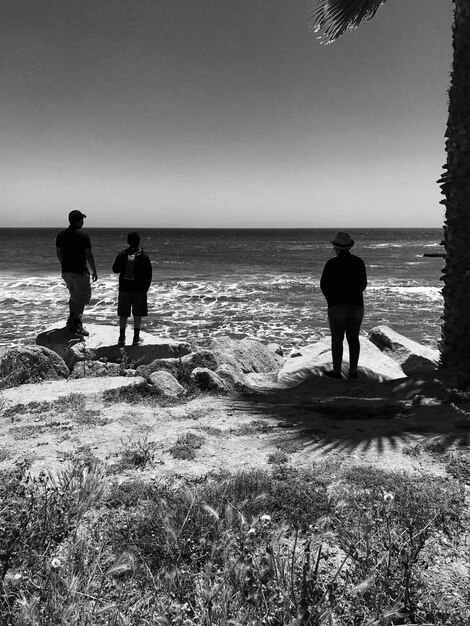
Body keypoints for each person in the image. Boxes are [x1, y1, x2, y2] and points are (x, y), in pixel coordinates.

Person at [320, 231, 367, 380]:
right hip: (356, 306)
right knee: (353, 339)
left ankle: (336, 372)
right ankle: (353, 371)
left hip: (337, 306)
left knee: (337, 339)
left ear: (337, 248)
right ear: (349, 247)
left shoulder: (331, 263)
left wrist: (331, 301)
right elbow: (363, 285)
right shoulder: (359, 262)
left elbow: (324, 285)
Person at [56, 210, 98, 336]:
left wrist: (64, 265)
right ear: (79, 221)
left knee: (73, 295)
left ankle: (71, 320)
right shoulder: (83, 235)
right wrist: (94, 270)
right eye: (82, 220)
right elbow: (89, 255)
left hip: (66, 271)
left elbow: (59, 253)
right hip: (79, 272)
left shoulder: (61, 235)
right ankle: (77, 324)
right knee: (81, 298)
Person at [112, 231, 152, 346]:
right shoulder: (144, 255)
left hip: (124, 288)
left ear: (128, 242)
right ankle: (136, 338)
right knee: (138, 313)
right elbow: (148, 273)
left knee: (123, 313)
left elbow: (115, 269)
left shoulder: (122, 254)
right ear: (139, 242)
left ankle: (122, 337)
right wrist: (146, 288)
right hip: (139, 289)